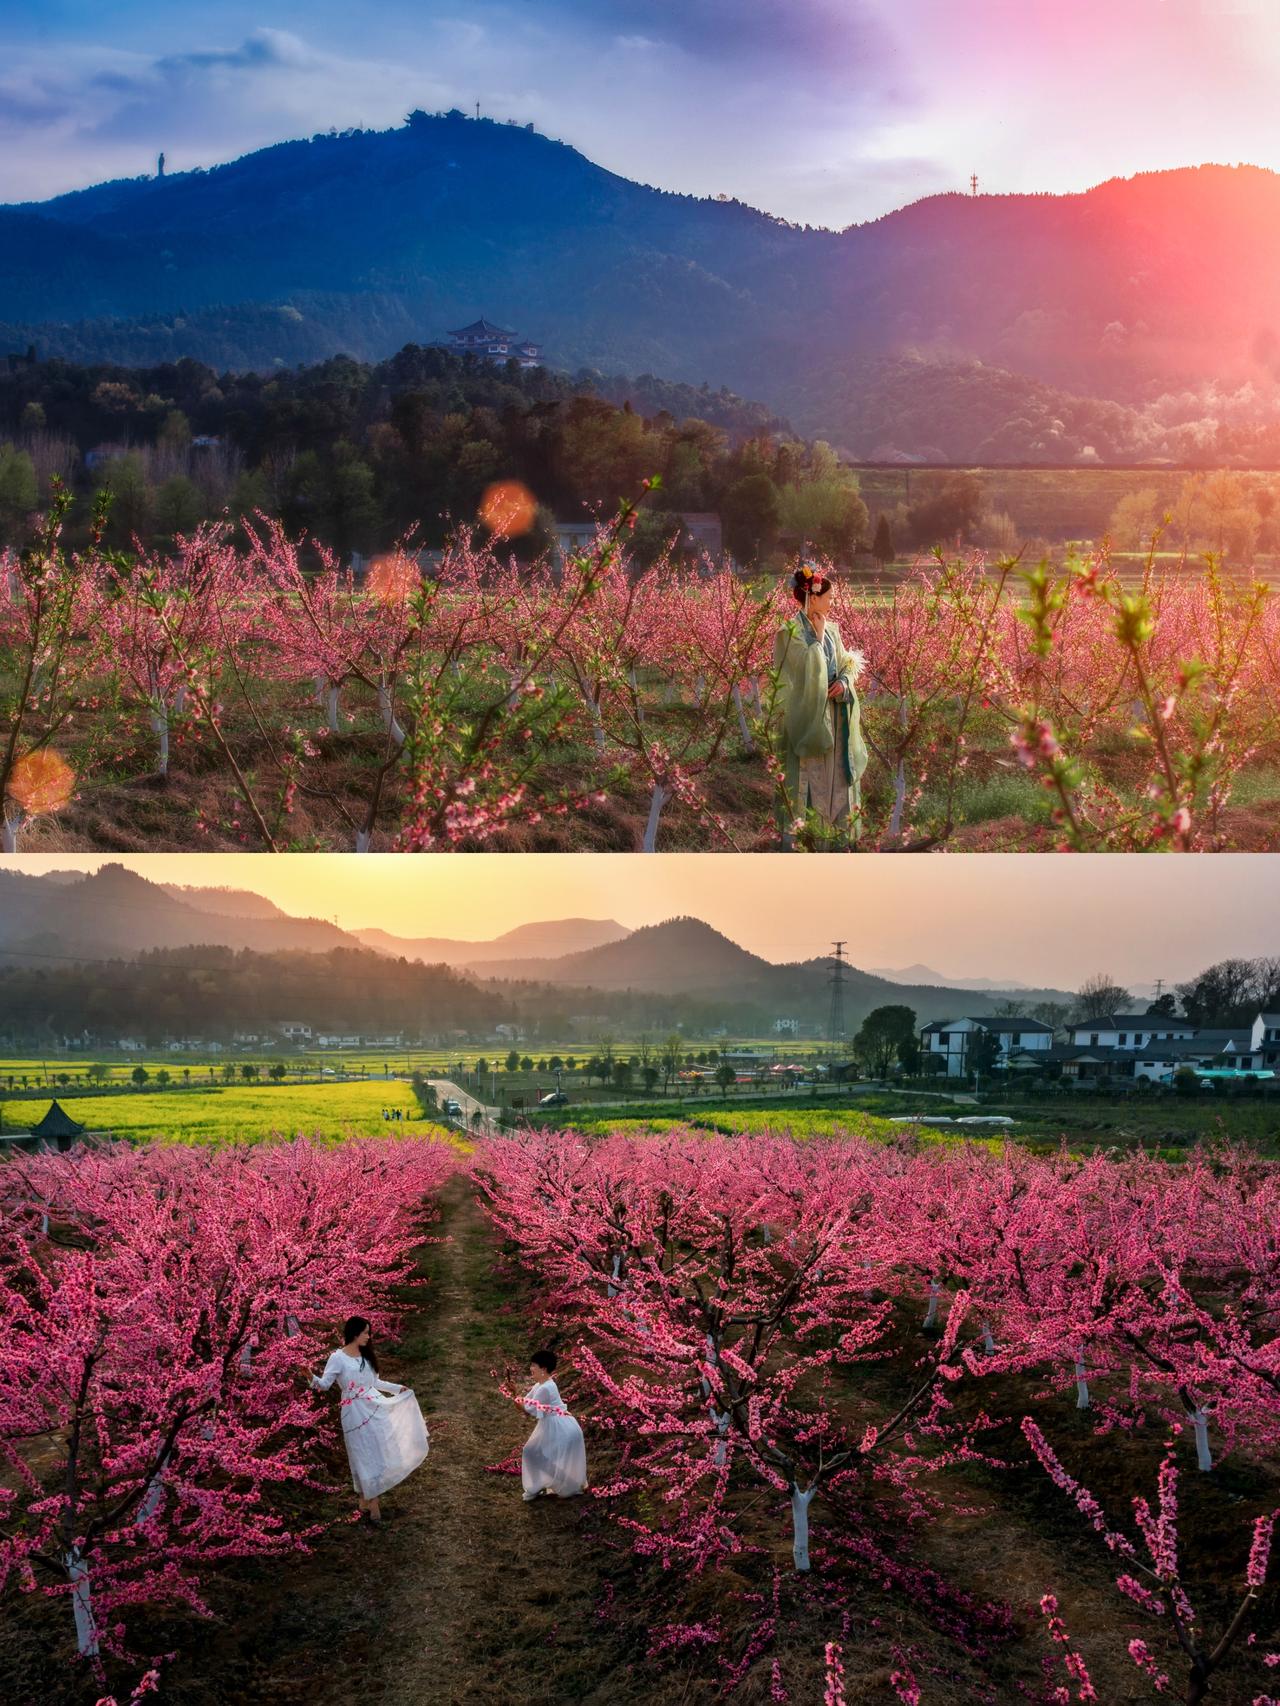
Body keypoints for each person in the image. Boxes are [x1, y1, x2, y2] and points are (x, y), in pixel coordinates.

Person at [773, 562, 868, 846]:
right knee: (807, 784)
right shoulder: (788, 633)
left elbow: (847, 665)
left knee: (836, 779)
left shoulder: (833, 630)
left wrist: (844, 683)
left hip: (835, 719)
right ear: (812, 597)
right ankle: (808, 842)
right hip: (808, 721)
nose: (832, 602)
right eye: (829, 598)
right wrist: (816, 637)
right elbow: (803, 672)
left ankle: (836, 841)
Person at [308, 1315, 429, 1524]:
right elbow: (324, 1384)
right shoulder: (338, 1358)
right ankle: (373, 1504)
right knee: (362, 1453)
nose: (368, 1336)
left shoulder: (365, 1355)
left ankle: (365, 1500)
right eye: (365, 1332)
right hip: (353, 1411)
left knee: (378, 1450)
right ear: (354, 1333)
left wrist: (397, 1388)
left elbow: (375, 1382)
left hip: (375, 1405)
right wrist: (309, 1375)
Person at [521, 1349, 587, 1501]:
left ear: (543, 1369)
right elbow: (526, 1401)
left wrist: (514, 1399)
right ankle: (545, 1485)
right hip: (556, 1423)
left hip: (559, 1427)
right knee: (533, 1452)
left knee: (532, 1452)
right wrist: (514, 1395)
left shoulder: (545, 1387)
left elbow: (528, 1409)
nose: (531, 1369)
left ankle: (537, 1487)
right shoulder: (541, 1384)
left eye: (533, 1365)